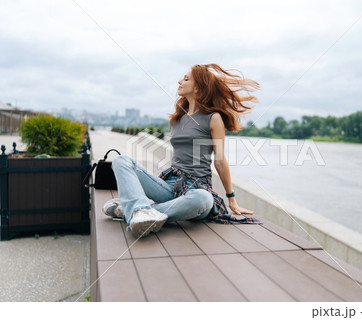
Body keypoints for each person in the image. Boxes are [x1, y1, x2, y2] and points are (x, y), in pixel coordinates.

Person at [103, 64, 261, 239]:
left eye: (186, 79)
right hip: (169, 187)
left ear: (199, 87)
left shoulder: (213, 118)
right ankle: (139, 211)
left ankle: (134, 210)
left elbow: (220, 160)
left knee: (204, 199)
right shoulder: (177, 119)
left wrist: (231, 199)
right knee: (121, 160)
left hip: (195, 189)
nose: (179, 81)